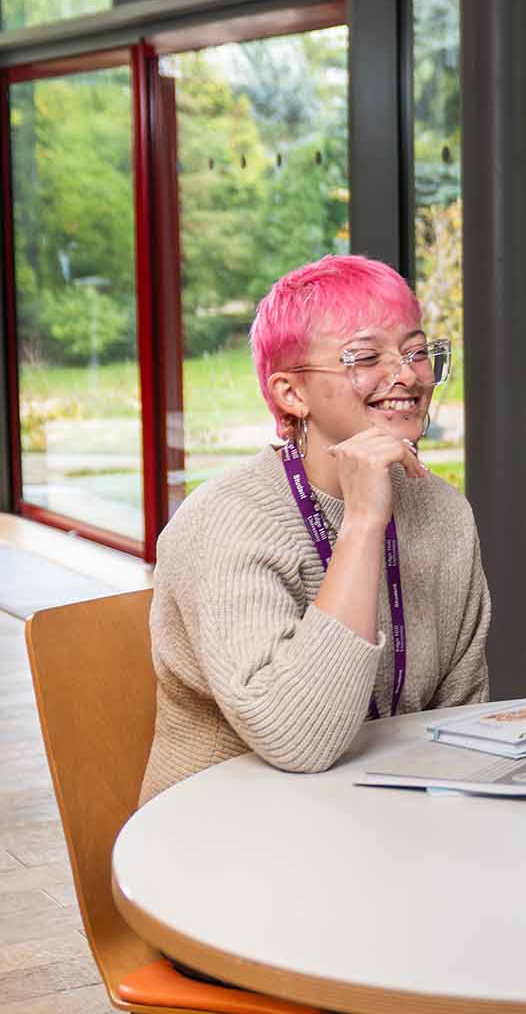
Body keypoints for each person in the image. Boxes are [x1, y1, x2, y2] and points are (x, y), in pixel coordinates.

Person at [139, 255, 492, 805]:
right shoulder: (228, 520)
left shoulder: (445, 514)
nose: (407, 375)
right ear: (291, 395)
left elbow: (465, 727)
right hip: (225, 838)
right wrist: (364, 521)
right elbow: (296, 739)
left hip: (383, 823)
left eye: (417, 351)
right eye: (366, 357)